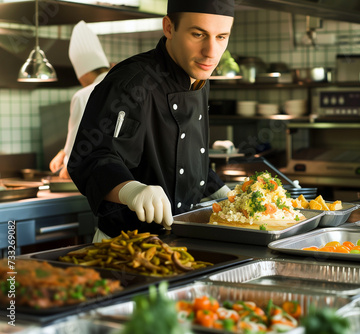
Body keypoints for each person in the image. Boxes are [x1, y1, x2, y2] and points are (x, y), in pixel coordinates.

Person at [68, 0, 234, 241]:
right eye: (198, 34)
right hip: (125, 245)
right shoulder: (130, 83)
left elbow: (186, 159)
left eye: (221, 37)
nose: (211, 52)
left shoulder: (198, 78)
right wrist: (132, 190)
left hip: (182, 238)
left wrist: (224, 195)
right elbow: (90, 156)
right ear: (169, 27)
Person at [49, 20, 111, 179]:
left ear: (82, 74)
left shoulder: (83, 96)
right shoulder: (124, 87)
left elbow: (73, 163)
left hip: (96, 181)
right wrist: (64, 152)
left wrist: (67, 163)